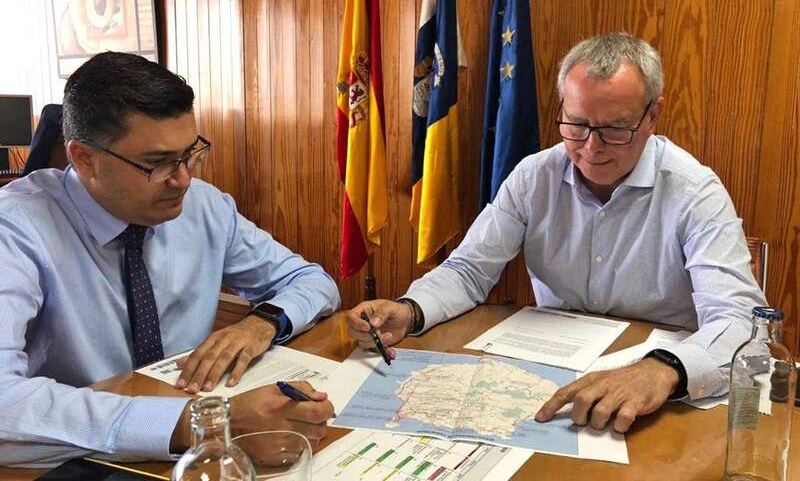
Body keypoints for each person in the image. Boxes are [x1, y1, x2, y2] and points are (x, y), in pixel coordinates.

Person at [347, 32, 766, 434]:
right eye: (576, 124)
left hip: (657, 391)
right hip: (553, 373)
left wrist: (663, 369)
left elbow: (743, 323)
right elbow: (470, 270)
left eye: (616, 129)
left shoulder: (694, 191)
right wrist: (411, 308)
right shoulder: (534, 176)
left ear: (653, 115)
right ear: (562, 107)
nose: (591, 148)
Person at [0, 52, 338, 468]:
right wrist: (200, 424)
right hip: (78, 460)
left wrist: (262, 322)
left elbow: (313, 281)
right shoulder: (15, 229)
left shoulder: (204, 206)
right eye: (157, 164)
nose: (183, 179)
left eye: (190, 153)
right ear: (84, 159)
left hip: (198, 452)